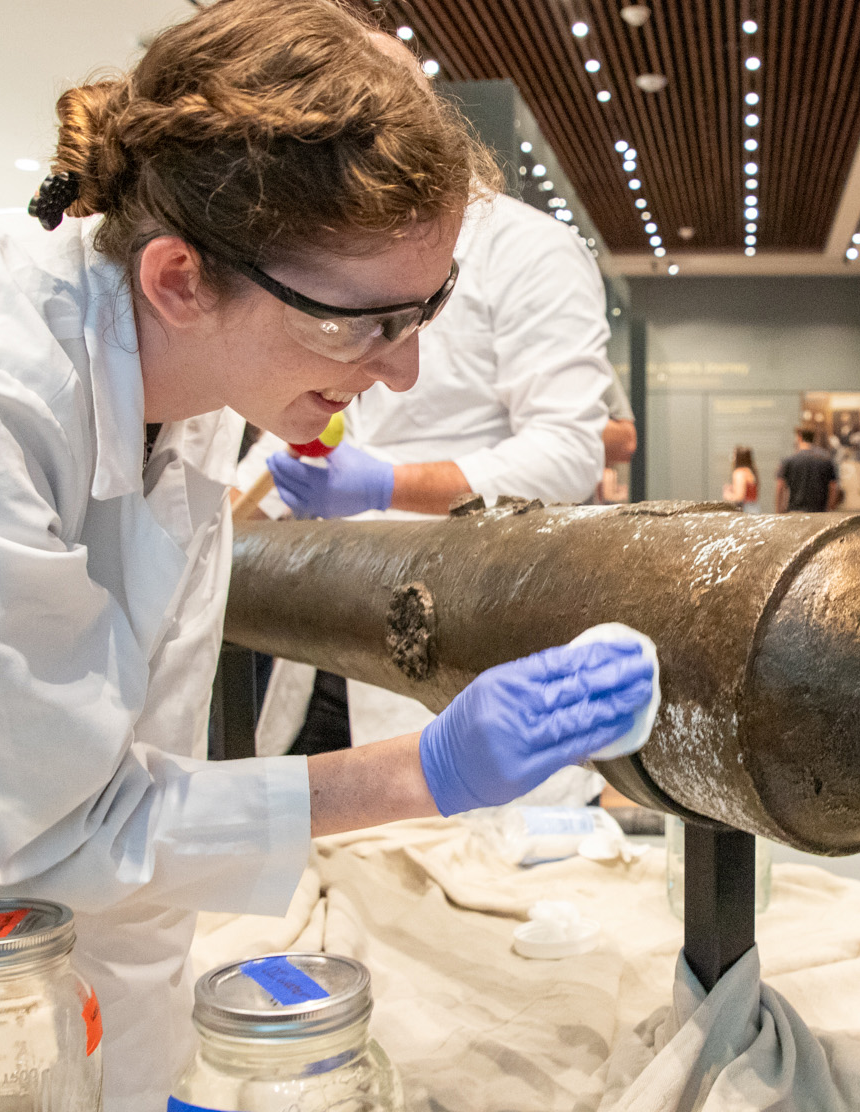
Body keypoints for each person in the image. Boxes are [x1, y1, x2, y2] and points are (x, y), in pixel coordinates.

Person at [0, 0, 655, 1112]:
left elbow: (139, 779)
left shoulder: (178, 393)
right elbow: (76, 829)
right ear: (183, 276)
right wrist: (424, 771)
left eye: (427, 307)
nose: (405, 369)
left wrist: (123, 1094)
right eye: (365, 324)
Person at [245, 178, 614, 755]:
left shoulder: (530, 249)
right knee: (318, 827)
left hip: (457, 628)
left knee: (447, 823)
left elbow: (565, 455)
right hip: (325, 626)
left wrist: (387, 486)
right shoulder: (335, 235)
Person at [776, 427, 840, 514]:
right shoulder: (826, 460)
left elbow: (780, 486)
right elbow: (833, 486)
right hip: (819, 512)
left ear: (799, 437)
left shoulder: (789, 461)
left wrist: (779, 510)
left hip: (796, 511)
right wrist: (830, 508)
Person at [721, 445, 760, 511]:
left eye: (733, 455)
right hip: (754, 507)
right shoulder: (751, 472)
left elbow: (740, 497)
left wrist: (727, 494)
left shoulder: (739, 473)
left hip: (745, 509)